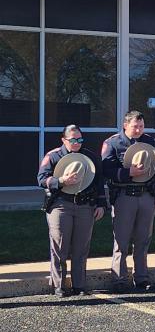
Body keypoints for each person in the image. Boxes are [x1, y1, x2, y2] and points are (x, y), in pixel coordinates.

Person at [101, 111, 155, 292]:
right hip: (124, 195)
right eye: (134, 126)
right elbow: (106, 169)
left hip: (146, 195)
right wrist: (127, 173)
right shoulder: (112, 143)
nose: (138, 130)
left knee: (143, 239)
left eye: (141, 126)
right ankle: (119, 279)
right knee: (121, 240)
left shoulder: (150, 142)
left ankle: (141, 277)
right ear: (125, 125)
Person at [38, 125, 107, 297]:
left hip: (85, 205)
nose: (77, 143)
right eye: (73, 140)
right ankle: (59, 285)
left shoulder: (90, 157)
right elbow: (41, 179)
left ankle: (79, 285)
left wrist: (101, 204)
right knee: (59, 246)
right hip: (60, 205)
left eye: (80, 139)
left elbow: (98, 183)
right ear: (64, 140)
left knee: (81, 247)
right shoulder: (53, 156)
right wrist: (61, 181)